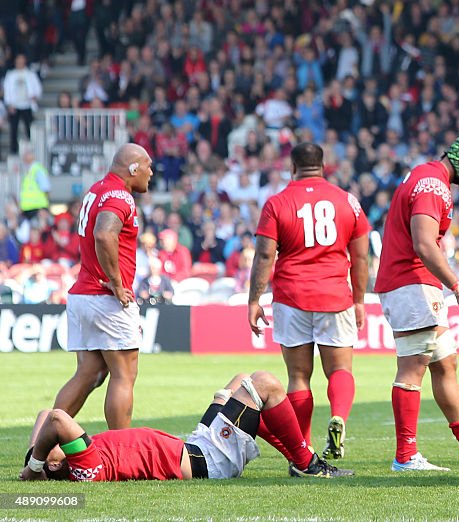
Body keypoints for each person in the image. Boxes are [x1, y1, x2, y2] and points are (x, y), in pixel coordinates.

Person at [373, 135, 459, 471]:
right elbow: (424, 245)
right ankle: (406, 455)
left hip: (417, 283)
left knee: (445, 364)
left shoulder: (425, 176)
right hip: (410, 282)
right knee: (412, 370)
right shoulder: (432, 186)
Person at [249, 143, 370, 462]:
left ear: (292, 167)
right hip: (335, 294)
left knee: (298, 376)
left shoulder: (277, 203)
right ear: (324, 165)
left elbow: (265, 255)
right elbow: (360, 256)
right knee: (340, 369)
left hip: (291, 296)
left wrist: (254, 300)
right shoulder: (348, 202)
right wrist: (359, 300)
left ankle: (303, 451)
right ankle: (339, 416)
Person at [20, 371, 350, 481]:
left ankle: (294, 456)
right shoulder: (85, 466)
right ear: (57, 461)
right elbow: (56, 419)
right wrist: (35, 468)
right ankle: (307, 464)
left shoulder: (64, 460)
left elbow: (45, 414)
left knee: (237, 383)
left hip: (196, 445)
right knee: (264, 384)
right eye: (54, 449)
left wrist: (34, 462)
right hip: (210, 462)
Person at [51, 143, 154, 430]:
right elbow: (104, 234)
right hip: (106, 298)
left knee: (89, 373)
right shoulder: (121, 196)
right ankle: (121, 450)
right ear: (133, 169)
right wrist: (118, 284)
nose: (151, 172)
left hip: (83, 293)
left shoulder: (96, 190)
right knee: (124, 374)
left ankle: (40, 445)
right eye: (147, 165)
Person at [3, 54, 42, 155]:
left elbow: (37, 88)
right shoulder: (10, 74)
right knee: (14, 129)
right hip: (15, 105)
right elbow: (7, 90)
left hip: (27, 104)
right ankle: (14, 150)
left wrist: (35, 96)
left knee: (29, 128)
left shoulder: (30, 74)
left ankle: (32, 149)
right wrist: (9, 104)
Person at [19, 150, 50, 220]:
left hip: (37, 209)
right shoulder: (29, 171)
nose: (24, 158)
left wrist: (43, 208)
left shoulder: (37, 170)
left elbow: (46, 189)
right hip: (28, 209)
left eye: (26, 156)